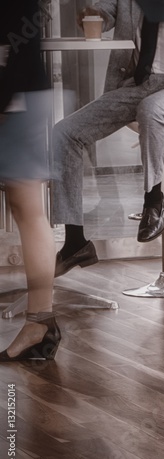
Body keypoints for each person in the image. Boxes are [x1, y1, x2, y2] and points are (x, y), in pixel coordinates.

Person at [50, 0, 164, 277]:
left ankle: (154, 201)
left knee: (152, 110)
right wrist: (91, 17)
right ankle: (75, 241)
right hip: (139, 83)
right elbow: (102, 15)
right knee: (64, 133)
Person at [0, 0, 60, 361]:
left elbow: (23, 40)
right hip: (16, 97)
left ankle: (41, 321)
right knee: (25, 207)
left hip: (16, 101)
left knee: (27, 207)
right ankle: (41, 321)